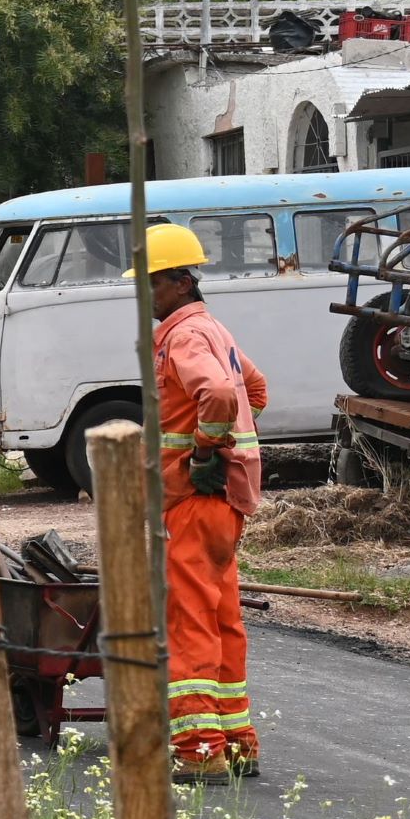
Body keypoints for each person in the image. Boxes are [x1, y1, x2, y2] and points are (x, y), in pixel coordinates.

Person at [133, 222, 269, 782]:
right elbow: (254, 391)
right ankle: (238, 742)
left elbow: (215, 392)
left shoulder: (184, 336)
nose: (145, 296)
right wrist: (229, 444)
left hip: (191, 498)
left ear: (181, 282)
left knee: (187, 619)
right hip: (227, 503)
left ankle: (199, 750)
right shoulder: (215, 330)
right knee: (222, 618)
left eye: (151, 284)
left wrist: (206, 450)